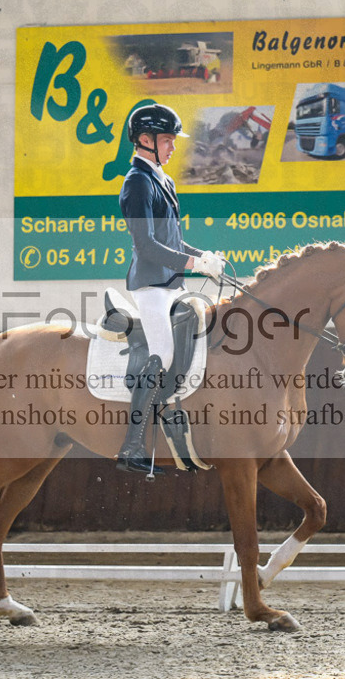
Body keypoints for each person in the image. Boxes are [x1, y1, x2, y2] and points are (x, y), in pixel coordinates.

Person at [116, 103, 224, 475]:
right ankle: (131, 446)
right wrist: (193, 264)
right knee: (161, 349)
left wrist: (203, 256)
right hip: (150, 284)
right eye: (167, 140)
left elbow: (173, 240)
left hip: (170, 283)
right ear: (145, 140)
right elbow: (146, 244)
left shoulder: (163, 179)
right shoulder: (137, 183)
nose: (173, 147)